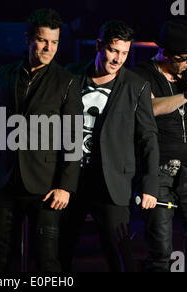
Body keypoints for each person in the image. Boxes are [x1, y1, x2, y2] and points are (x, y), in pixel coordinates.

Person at [0, 8, 82, 272]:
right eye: (43, 40)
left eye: (54, 42)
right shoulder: (5, 74)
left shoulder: (66, 81)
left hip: (46, 185)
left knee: (46, 261)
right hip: (5, 180)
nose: (49, 47)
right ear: (28, 38)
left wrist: (65, 185)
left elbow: (73, 137)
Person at [62, 20, 160, 272]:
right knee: (59, 252)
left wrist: (150, 186)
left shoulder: (136, 86)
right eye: (113, 50)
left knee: (119, 255)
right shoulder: (70, 76)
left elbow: (148, 138)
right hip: (70, 180)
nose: (118, 59)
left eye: (124, 53)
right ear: (98, 46)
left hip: (111, 182)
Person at [133, 19, 187, 272]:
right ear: (165, 53)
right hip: (158, 172)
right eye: (184, 57)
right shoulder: (142, 74)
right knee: (160, 253)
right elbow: (150, 108)